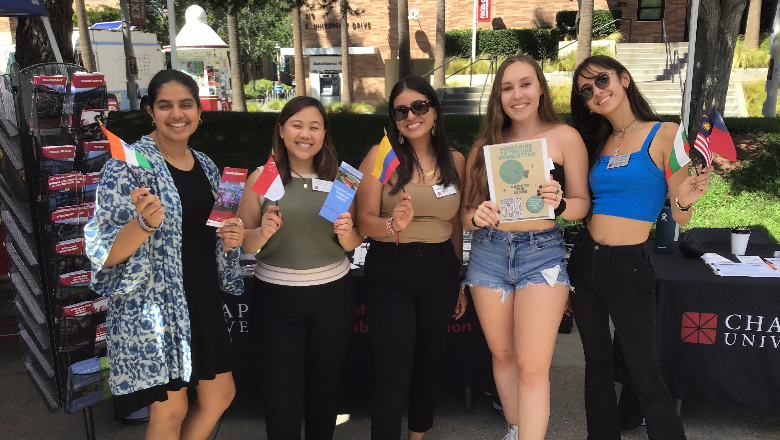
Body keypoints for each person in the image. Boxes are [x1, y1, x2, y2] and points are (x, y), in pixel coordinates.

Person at [84, 69, 245, 440]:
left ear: (199, 111)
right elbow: (102, 252)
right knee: (171, 410)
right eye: (165, 105)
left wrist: (231, 239)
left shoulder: (206, 165)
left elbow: (214, 235)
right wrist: (143, 225)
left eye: (186, 104)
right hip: (156, 307)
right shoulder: (127, 165)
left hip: (202, 299)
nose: (177, 114)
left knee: (220, 394)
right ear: (151, 112)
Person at [568, 55, 713, 440]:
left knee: (645, 373)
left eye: (601, 80)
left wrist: (684, 199)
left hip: (629, 265)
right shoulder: (597, 143)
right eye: (586, 91)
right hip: (585, 261)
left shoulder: (667, 134)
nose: (596, 92)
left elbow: (680, 215)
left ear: (624, 79)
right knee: (597, 365)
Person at [460, 54, 591, 440]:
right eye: (507, 87)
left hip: (542, 255)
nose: (517, 95)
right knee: (503, 356)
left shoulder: (565, 137)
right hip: (489, 252)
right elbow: (465, 214)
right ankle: (516, 430)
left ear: (541, 89)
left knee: (532, 367)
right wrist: (478, 215)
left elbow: (582, 206)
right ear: (498, 96)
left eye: (525, 84)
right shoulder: (485, 145)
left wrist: (560, 203)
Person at [238, 96, 363, 440]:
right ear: (281, 130)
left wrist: (347, 233)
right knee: (281, 394)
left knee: (326, 389)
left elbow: (352, 242)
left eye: (314, 127)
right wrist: (262, 232)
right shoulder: (263, 177)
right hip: (276, 298)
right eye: (297, 125)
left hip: (332, 296)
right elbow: (246, 243)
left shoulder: (342, 179)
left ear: (324, 134)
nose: (305, 134)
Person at [355, 75, 467, 440]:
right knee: (393, 371)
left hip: (440, 269)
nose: (411, 116)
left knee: (431, 363)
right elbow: (363, 220)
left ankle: (418, 435)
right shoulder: (380, 156)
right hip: (391, 266)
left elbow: (455, 225)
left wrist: (459, 281)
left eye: (419, 106)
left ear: (434, 111)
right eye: (400, 110)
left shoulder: (456, 161)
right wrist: (392, 223)